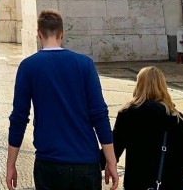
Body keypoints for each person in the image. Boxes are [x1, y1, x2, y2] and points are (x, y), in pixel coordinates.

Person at [7, 10, 118, 190]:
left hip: (49, 163)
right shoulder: (85, 64)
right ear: (62, 34)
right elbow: (99, 114)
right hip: (86, 163)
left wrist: (11, 164)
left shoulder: (28, 67)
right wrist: (111, 160)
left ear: (38, 34)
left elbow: (19, 119)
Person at [112, 67, 183, 190]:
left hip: (138, 183)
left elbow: (113, 151)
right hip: (172, 183)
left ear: (138, 85)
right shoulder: (176, 118)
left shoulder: (127, 115)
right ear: (163, 86)